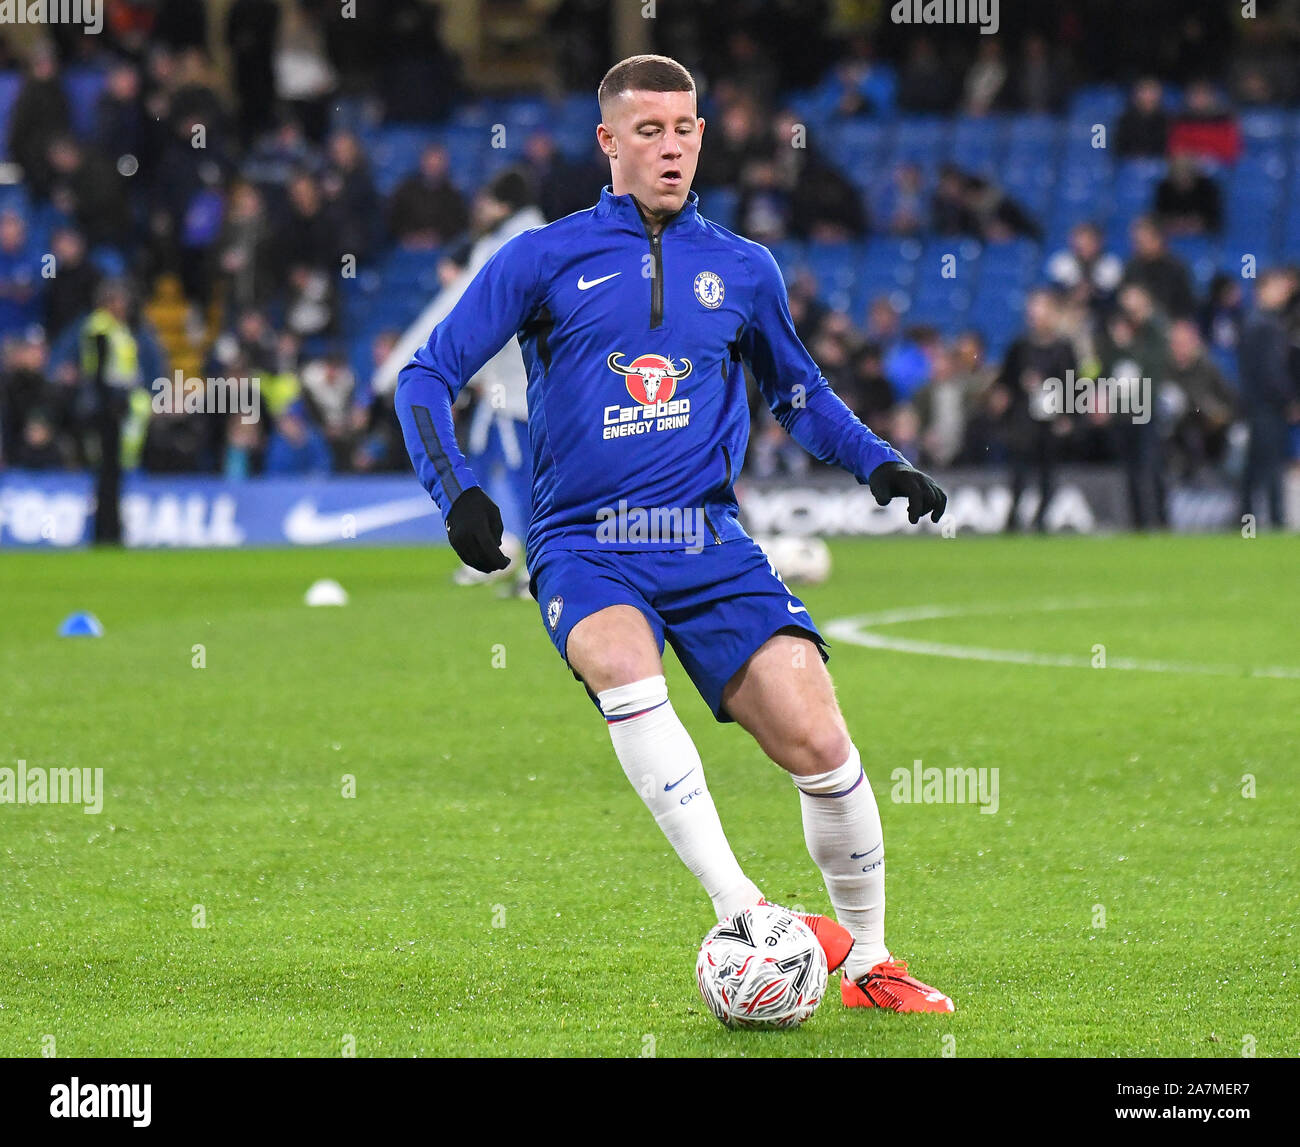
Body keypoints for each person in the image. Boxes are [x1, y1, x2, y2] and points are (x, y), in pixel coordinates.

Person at [394, 54, 952, 1013]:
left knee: (822, 742)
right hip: (584, 538)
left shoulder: (742, 267)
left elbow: (800, 394)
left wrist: (878, 462)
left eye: (685, 129)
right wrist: (457, 494)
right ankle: (749, 913)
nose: (671, 148)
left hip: (706, 540)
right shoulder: (543, 258)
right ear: (608, 141)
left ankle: (867, 961)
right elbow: (426, 375)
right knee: (620, 661)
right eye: (647, 131)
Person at [1237, 269, 1297, 528]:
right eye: (1277, 286)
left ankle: (1245, 518)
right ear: (1262, 290)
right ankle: (1276, 519)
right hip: (1268, 406)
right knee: (1271, 463)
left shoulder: (1253, 322)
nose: (1284, 292)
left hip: (1254, 404)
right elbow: (1272, 371)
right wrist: (1290, 400)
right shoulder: (1267, 325)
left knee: (1255, 465)